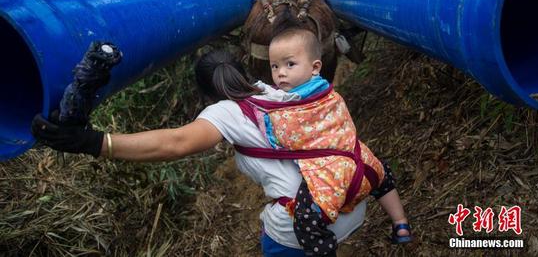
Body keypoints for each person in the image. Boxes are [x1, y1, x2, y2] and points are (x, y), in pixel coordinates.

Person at [31, 50, 372, 257]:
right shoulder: (279, 89)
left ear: (206, 93)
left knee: (272, 236)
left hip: (302, 225)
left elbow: (175, 143)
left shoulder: (224, 112)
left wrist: (93, 142)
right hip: (352, 201)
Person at [234, 25, 412, 256]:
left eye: (290, 64)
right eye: (275, 66)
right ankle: (400, 222)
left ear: (315, 67)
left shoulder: (290, 106)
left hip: (327, 173)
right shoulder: (328, 92)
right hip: (356, 157)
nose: (281, 73)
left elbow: (283, 135)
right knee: (381, 173)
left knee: (306, 219)